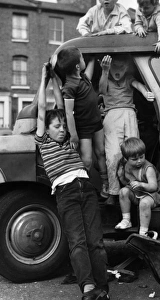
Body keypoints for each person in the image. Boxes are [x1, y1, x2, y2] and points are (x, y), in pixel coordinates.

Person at [35, 63, 109, 300]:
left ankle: (103, 288)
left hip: (86, 188)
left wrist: (57, 79)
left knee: (95, 242)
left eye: (62, 126)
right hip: (66, 192)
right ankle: (88, 288)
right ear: (46, 129)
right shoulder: (43, 141)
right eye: (56, 127)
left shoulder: (69, 140)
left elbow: (61, 102)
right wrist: (44, 78)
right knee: (77, 242)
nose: (61, 130)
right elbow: (43, 108)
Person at [98, 54, 155, 205]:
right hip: (111, 117)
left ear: (128, 67)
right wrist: (104, 71)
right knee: (113, 155)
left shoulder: (129, 78)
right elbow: (102, 90)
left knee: (134, 152)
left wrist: (145, 92)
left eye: (122, 67)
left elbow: (138, 85)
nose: (118, 71)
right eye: (114, 67)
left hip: (129, 115)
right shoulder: (106, 78)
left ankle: (137, 190)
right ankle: (114, 192)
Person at [56, 46, 109, 197]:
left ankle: (105, 184)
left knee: (101, 152)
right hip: (84, 128)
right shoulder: (70, 86)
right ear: (78, 66)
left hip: (96, 122)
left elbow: (89, 74)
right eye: (82, 58)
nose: (84, 59)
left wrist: (92, 59)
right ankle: (84, 189)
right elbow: (68, 112)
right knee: (86, 160)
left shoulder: (82, 77)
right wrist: (73, 135)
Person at [114, 137, 160, 238]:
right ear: (126, 159)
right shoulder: (126, 166)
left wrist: (141, 184)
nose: (139, 161)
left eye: (141, 157)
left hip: (152, 195)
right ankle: (126, 220)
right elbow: (127, 183)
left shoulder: (148, 168)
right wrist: (120, 176)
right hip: (138, 193)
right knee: (123, 192)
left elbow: (153, 187)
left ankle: (143, 233)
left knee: (144, 203)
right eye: (134, 159)